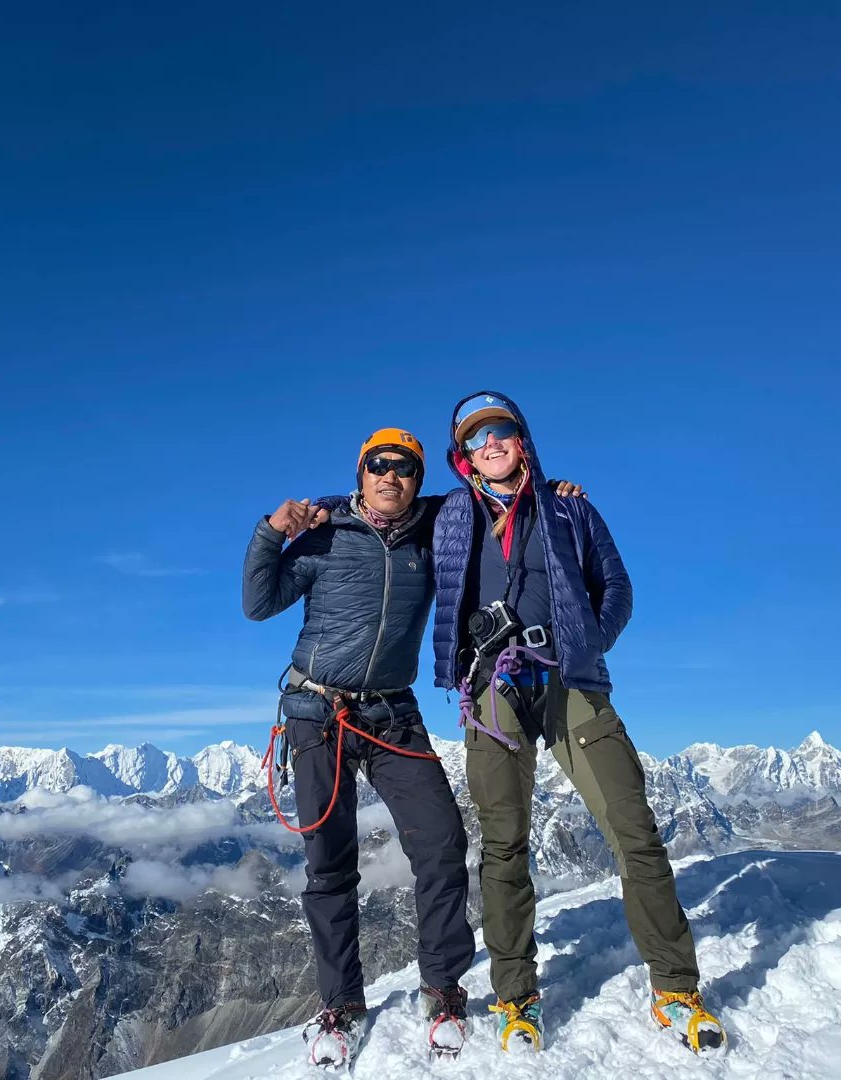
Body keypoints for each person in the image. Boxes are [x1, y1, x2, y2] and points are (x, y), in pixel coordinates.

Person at [430, 392, 726, 1055]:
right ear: (464, 456)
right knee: (504, 846)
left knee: (633, 830)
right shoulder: (450, 515)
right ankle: (515, 1000)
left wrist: (586, 644)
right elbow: (381, 512)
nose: (493, 445)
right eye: (479, 440)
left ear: (523, 439)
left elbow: (615, 587)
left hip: (569, 679)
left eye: (502, 432)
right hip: (493, 688)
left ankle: (676, 988)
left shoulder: (569, 507)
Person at [242, 428, 474, 1068]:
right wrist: (272, 528)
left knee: (441, 840)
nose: (390, 476)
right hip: (317, 712)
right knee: (330, 863)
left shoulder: (435, 534)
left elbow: (492, 499)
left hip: (393, 713)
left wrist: (553, 490)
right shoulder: (325, 531)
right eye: (379, 465)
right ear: (361, 470)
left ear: (418, 481)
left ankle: (443, 989)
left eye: (404, 469)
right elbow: (259, 604)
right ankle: (341, 1003)